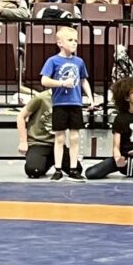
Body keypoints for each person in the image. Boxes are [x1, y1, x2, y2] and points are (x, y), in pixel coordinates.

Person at [40, 26, 94, 182]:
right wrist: (62, 83)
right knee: (60, 137)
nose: (74, 43)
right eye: (70, 40)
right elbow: (44, 80)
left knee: (75, 137)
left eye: (76, 40)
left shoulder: (79, 61)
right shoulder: (53, 60)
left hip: (75, 103)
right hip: (60, 103)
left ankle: (73, 168)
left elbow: (83, 80)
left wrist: (90, 98)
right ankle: (58, 169)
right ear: (60, 43)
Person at [86, 77, 133, 181]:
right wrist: (117, 158)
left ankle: (132, 168)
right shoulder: (120, 118)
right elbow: (116, 146)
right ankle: (127, 167)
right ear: (126, 97)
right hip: (123, 157)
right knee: (90, 173)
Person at [17, 90, 81, 178]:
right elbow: (21, 116)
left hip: (58, 143)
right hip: (39, 142)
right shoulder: (41, 98)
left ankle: (51, 160)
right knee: (33, 170)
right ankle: (43, 161)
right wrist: (23, 141)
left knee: (77, 169)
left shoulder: (68, 99)